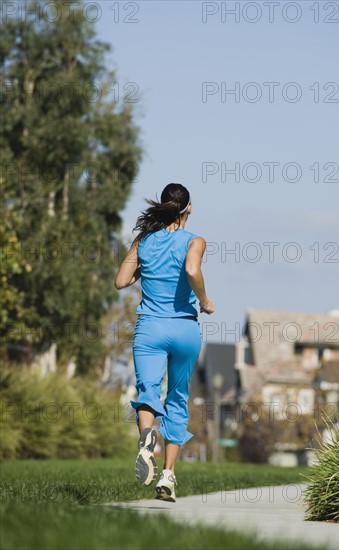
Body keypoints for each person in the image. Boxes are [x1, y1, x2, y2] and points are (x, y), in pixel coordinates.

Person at [114, 183, 215, 502]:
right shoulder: (195, 241)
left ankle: (147, 439)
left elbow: (121, 281)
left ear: (162, 206)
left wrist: (144, 270)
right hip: (184, 330)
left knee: (147, 390)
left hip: (150, 330)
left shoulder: (143, 240)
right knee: (177, 398)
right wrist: (205, 300)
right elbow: (191, 269)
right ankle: (168, 477)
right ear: (189, 208)